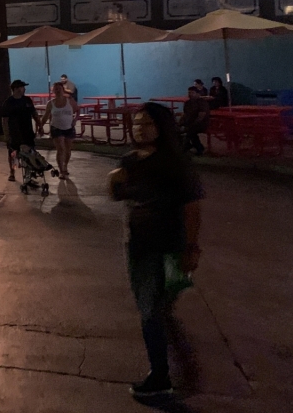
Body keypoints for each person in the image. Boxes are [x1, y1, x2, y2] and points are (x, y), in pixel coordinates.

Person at [108, 103, 204, 399]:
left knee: (152, 310)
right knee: (152, 305)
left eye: (147, 123)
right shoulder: (130, 160)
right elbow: (118, 194)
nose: (140, 128)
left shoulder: (175, 163)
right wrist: (114, 181)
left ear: (162, 126)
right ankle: (162, 360)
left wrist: (190, 246)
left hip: (170, 244)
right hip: (139, 245)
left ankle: (160, 375)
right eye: (136, 123)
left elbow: (192, 207)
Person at [1, 79, 39, 182]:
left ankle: (29, 174)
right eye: (22, 87)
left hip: (27, 131)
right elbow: (5, 120)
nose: (24, 89)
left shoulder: (27, 100)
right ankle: (12, 172)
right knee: (14, 154)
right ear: (16, 89)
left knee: (30, 153)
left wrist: (39, 125)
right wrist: (6, 134)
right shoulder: (8, 102)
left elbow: (34, 113)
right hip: (14, 133)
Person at [43, 81, 77, 179]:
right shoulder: (50, 103)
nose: (57, 90)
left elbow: (77, 110)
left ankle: (65, 165)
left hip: (69, 127)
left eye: (59, 88)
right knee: (60, 149)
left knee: (68, 149)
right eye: (56, 89)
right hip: (56, 128)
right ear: (53, 91)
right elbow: (45, 116)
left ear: (63, 90)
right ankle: (61, 170)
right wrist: (40, 126)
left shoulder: (70, 100)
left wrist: (75, 119)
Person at [182, 86, 209, 155]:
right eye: (189, 92)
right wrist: (181, 123)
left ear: (197, 94)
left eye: (192, 92)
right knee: (189, 132)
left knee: (190, 131)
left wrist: (193, 124)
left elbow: (201, 116)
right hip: (190, 123)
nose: (190, 94)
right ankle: (196, 146)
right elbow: (185, 114)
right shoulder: (187, 103)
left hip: (201, 123)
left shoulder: (202, 102)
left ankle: (188, 146)